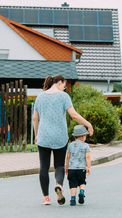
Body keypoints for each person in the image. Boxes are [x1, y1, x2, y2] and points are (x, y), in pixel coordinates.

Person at [33, 75, 93, 205]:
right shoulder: (63, 96)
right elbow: (74, 115)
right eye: (64, 85)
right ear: (59, 82)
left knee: (44, 166)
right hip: (60, 136)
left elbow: (35, 119)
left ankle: (46, 198)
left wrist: (37, 135)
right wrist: (88, 124)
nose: (64, 88)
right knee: (59, 165)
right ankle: (59, 185)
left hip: (43, 136)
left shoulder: (40, 97)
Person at [66, 125, 91, 206]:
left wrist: (67, 168)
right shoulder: (85, 145)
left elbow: (68, 157)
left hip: (71, 169)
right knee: (82, 182)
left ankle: (72, 199)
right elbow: (87, 157)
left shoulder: (70, 145)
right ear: (83, 136)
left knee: (72, 184)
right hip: (81, 169)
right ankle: (81, 192)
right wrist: (89, 167)